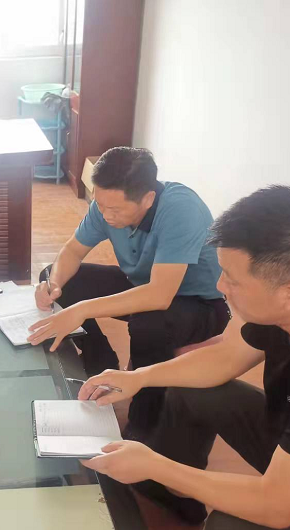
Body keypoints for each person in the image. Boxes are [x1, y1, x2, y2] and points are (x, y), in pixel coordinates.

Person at [78, 185, 290, 530]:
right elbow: (225, 358)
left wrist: (156, 465)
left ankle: (167, 477)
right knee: (190, 387)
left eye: (232, 279)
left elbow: (277, 505)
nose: (221, 287)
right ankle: (175, 494)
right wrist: (139, 377)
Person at [29, 147, 228, 433]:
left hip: (199, 303)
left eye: (115, 210)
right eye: (100, 204)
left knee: (149, 327)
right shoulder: (107, 204)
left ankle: (145, 421)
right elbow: (72, 251)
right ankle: (99, 363)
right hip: (143, 285)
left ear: (148, 198)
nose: (105, 215)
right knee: (60, 278)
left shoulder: (181, 210)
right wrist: (54, 284)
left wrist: (81, 310)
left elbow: (160, 295)